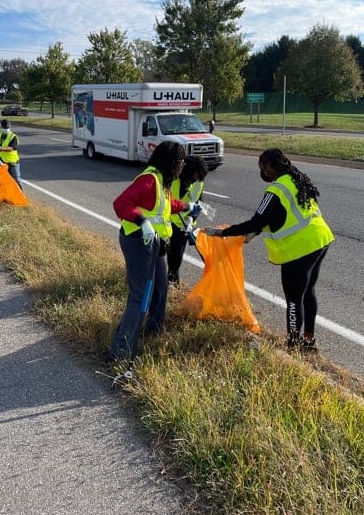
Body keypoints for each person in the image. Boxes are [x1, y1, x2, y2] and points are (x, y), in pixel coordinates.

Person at [205, 148, 334, 351]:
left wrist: (225, 233)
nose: (262, 172)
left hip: (299, 248)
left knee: (293, 299)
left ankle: (293, 344)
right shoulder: (298, 180)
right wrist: (255, 233)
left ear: (269, 166)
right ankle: (309, 341)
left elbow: (257, 220)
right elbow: (282, 216)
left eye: (262, 167)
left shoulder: (276, 190)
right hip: (321, 239)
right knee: (308, 292)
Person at [108, 141, 202, 362]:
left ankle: (153, 330)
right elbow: (121, 203)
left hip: (156, 243)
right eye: (180, 162)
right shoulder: (149, 179)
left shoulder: (163, 181)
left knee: (160, 289)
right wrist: (142, 222)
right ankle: (121, 350)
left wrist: (190, 207)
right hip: (138, 242)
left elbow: (168, 205)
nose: (182, 167)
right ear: (171, 162)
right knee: (140, 296)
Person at [167, 155, 209, 287]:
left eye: (200, 176)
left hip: (186, 226)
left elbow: (199, 202)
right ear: (188, 171)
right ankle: (171, 281)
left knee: (176, 255)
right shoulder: (172, 181)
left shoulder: (198, 183)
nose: (198, 178)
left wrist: (191, 219)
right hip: (169, 223)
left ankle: (173, 282)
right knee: (172, 254)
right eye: (196, 174)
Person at [0, 119, 22, 188]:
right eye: (5, 127)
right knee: (1, 180)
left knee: (16, 180)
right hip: (1, 161)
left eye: (7, 127)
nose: (6, 129)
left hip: (12, 162)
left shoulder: (13, 136)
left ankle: (21, 196)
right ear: (2, 127)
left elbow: (11, 148)